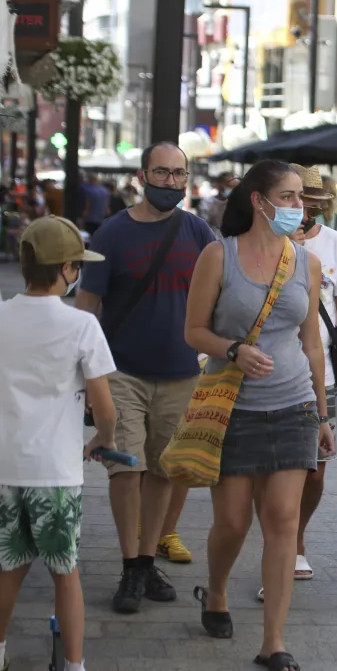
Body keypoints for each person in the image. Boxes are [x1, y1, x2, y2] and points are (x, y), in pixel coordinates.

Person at [185, 159, 333, 671]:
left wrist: (322, 413)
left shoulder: (306, 264)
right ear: (259, 201)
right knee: (231, 522)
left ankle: (274, 641)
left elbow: (312, 344)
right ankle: (218, 591)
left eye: (301, 200)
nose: (298, 208)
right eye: (289, 197)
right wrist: (232, 350)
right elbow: (194, 332)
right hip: (232, 407)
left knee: (283, 521)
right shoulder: (217, 256)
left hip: (292, 403)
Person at [76, 142, 216, 613]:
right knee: (126, 468)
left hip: (182, 374)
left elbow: (220, 299)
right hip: (121, 374)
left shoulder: (198, 231)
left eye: (179, 174)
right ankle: (131, 566)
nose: (171, 183)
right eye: (163, 173)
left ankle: (146, 555)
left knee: (162, 470)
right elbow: (87, 309)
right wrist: (84, 375)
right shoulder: (111, 234)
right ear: (143, 175)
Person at [0, 217, 117, 671]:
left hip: (6, 465)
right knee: (65, 572)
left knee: (9, 567)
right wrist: (102, 441)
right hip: (55, 470)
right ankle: (73, 664)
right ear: (67, 268)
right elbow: (104, 409)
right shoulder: (81, 326)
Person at [252, 163, 337, 597]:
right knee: (269, 470)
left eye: (312, 202)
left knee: (315, 471)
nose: (304, 209)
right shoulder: (258, 242)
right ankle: (279, 548)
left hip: (317, 374)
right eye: (294, 198)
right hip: (264, 368)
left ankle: (295, 534)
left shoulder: (334, 244)